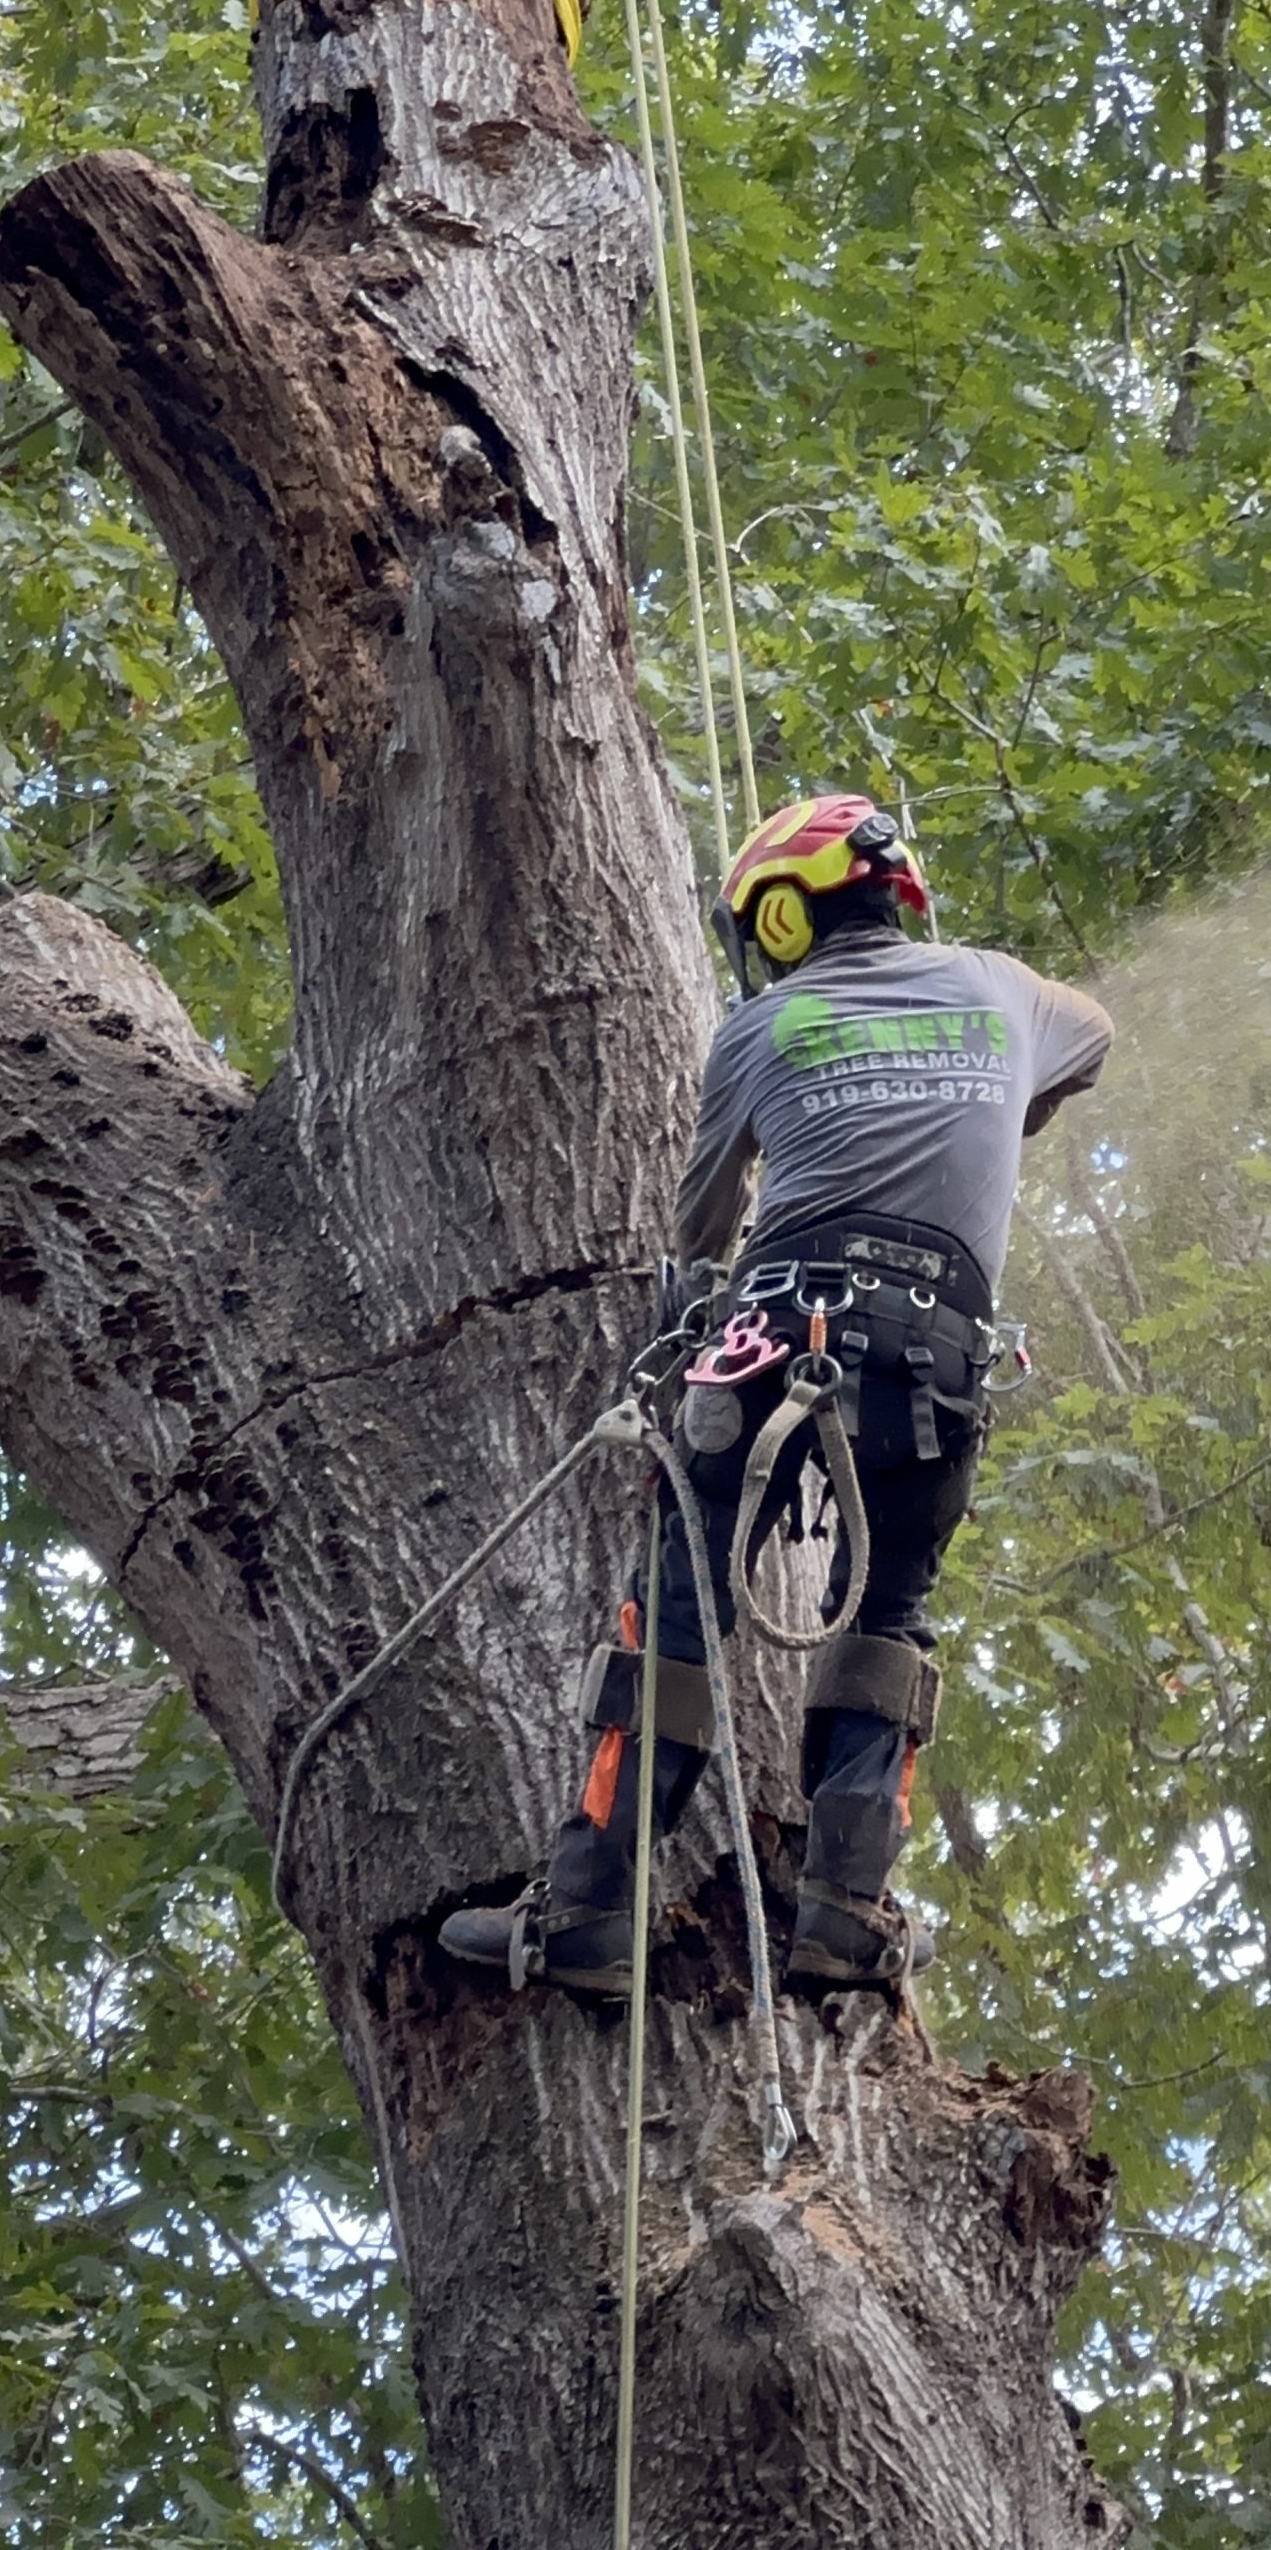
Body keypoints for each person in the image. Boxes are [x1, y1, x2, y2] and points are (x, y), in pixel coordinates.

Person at [439, 794, 1113, 1996]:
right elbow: (1098, 1034)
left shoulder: (762, 1024)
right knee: (889, 1616)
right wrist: (997, 1108)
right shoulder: (1005, 990)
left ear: (786, 915)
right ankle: (845, 1916)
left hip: (768, 1331)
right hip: (934, 1360)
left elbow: (700, 1228)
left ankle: (590, 1915)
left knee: (682, 1598)